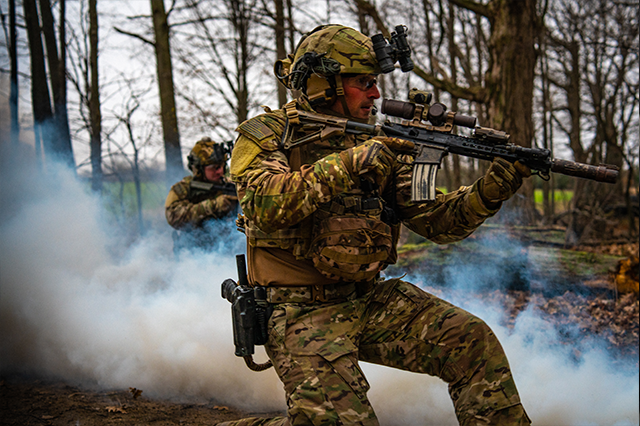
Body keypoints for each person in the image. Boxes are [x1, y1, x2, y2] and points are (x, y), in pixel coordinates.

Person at [223, 24, 531, 426]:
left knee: (471, 341)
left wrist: (489, 191)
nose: (376, 94)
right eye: (364, 83)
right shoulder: (269, 134)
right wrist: (353, 162)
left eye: (375, 82)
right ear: (325, 84)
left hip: (369, 300)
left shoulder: (377, 141)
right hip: (301, 311)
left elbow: (437, 223)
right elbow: (264, 203)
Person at [165, 137, 238, 254]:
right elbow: (173, 217)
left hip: (227, 249)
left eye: (221, 166)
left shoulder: (232, 186)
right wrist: (213, 206)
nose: (219, 171)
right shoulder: (183, 189)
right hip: (193, 252)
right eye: (214, 168)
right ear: (199, 169)